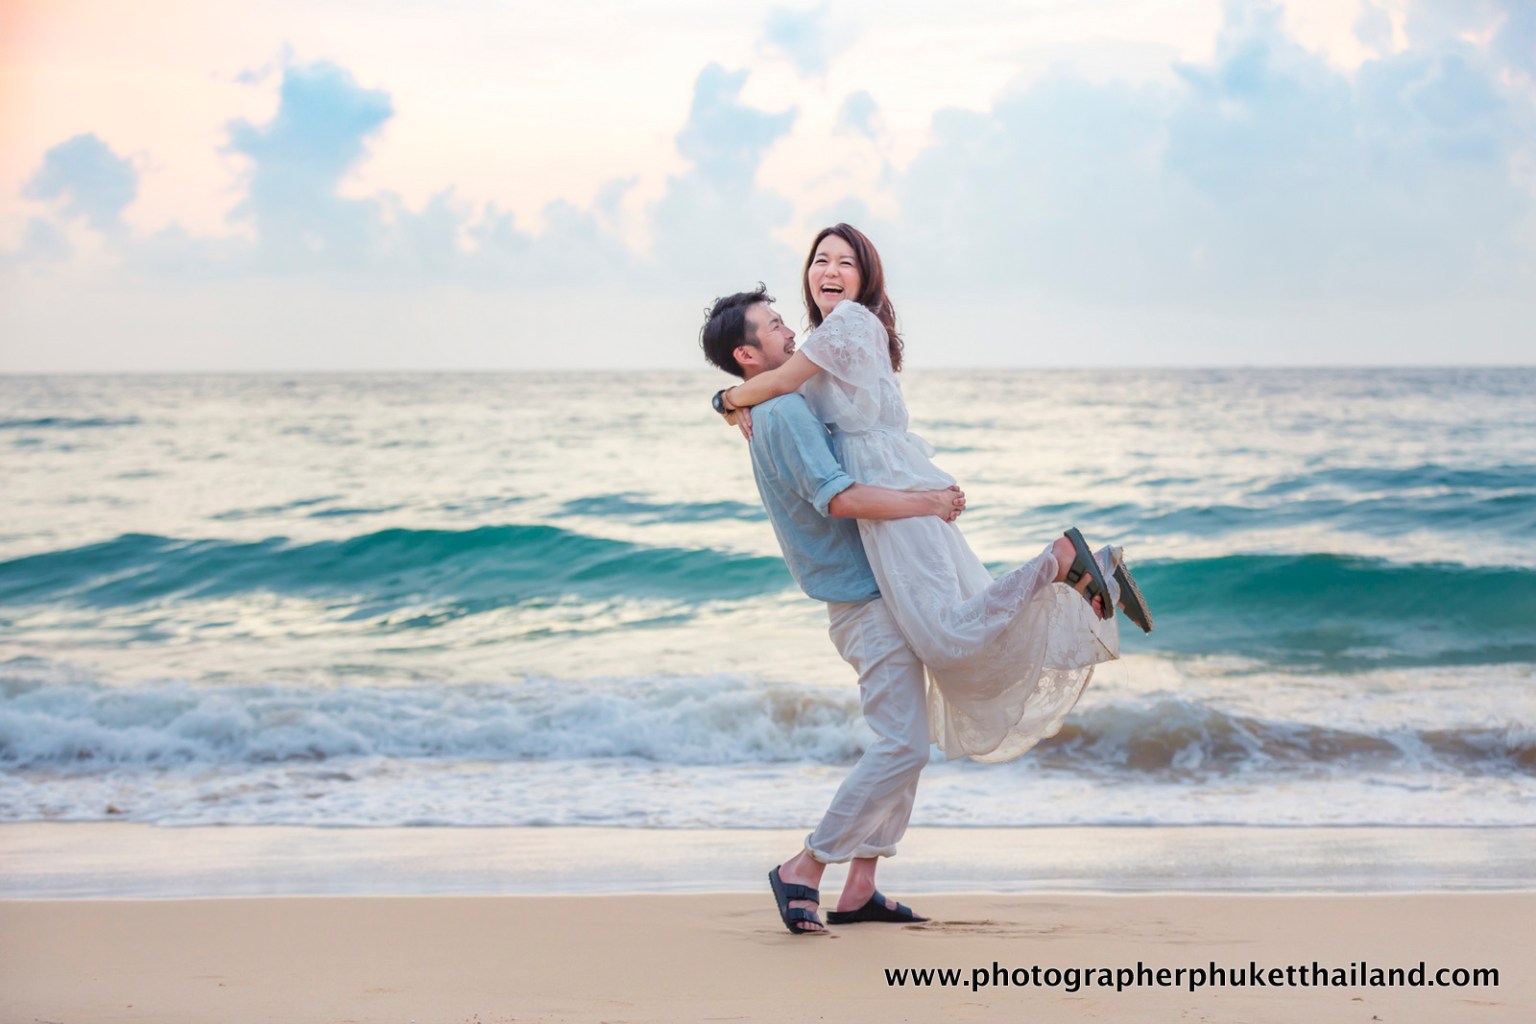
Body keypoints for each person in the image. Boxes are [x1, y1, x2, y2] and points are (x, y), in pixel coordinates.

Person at [714, 224, 1153, 766]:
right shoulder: (827, 338)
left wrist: (727, 397)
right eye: (820, 260)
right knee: (955, 619)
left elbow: (777, 384)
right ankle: (1093, 568)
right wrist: (736, 401)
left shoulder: (848, 323)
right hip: (886, 485)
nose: (830, 271)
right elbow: (782, 383)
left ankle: (1061, 560)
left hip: (886, 485)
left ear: (866, 276)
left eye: (846, 263)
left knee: (946, 634)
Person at [700, 286, 963, 935]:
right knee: (902, 744)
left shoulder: (775, 401)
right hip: (860, 597)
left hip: (871, 588)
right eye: (775, 326)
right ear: (747, 352)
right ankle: (805, 867)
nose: (792, 332)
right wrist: (929, 502)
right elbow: (838, 500)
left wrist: (725, 399)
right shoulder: (784, 410)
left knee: (910, 744)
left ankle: (861, 889)